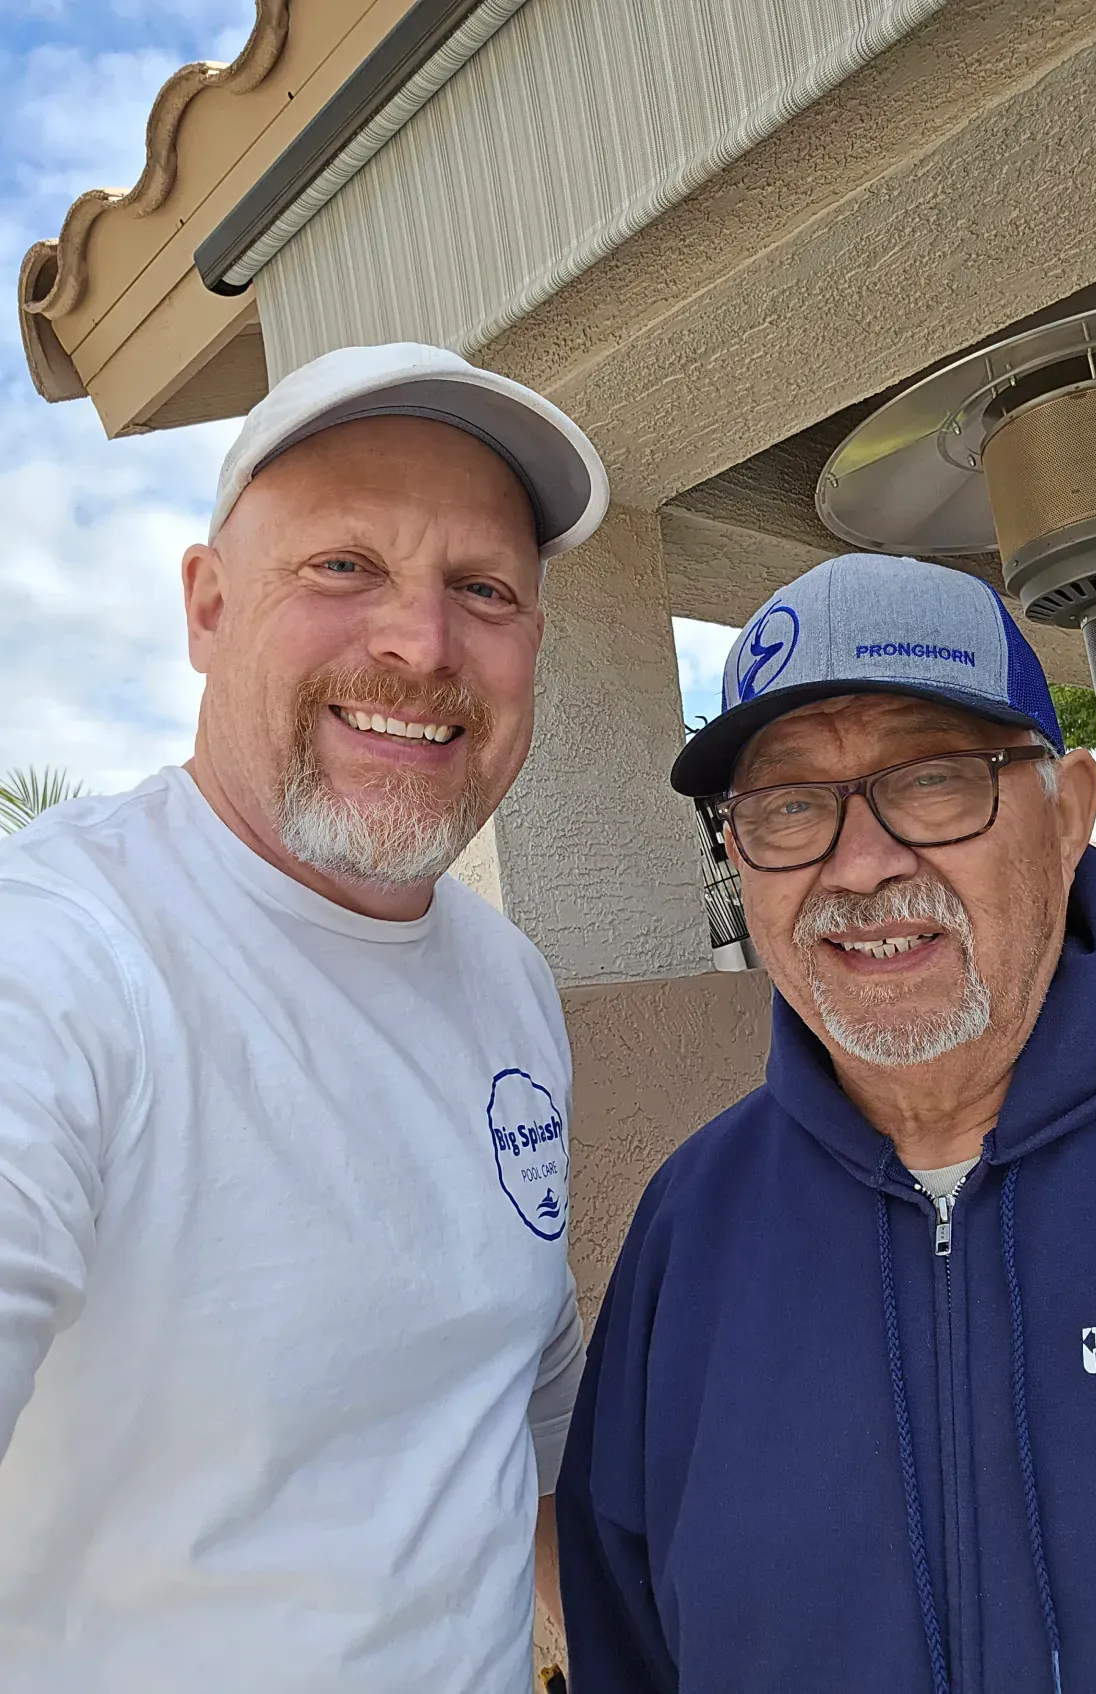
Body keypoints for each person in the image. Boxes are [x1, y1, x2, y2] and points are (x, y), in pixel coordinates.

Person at [0, 342, 609, 1691]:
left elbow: (524, 1383)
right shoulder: (63, 954)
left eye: (484, 588)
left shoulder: (505, 979)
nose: (420, 640)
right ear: (207, 608)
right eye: (344, 566)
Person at [557, 551, 1096, 1694]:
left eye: (934, 777)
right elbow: (626, 1639)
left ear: (1069, 812)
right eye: (789, 804)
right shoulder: (692, 1223)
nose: (863, 863)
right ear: (740, 855)